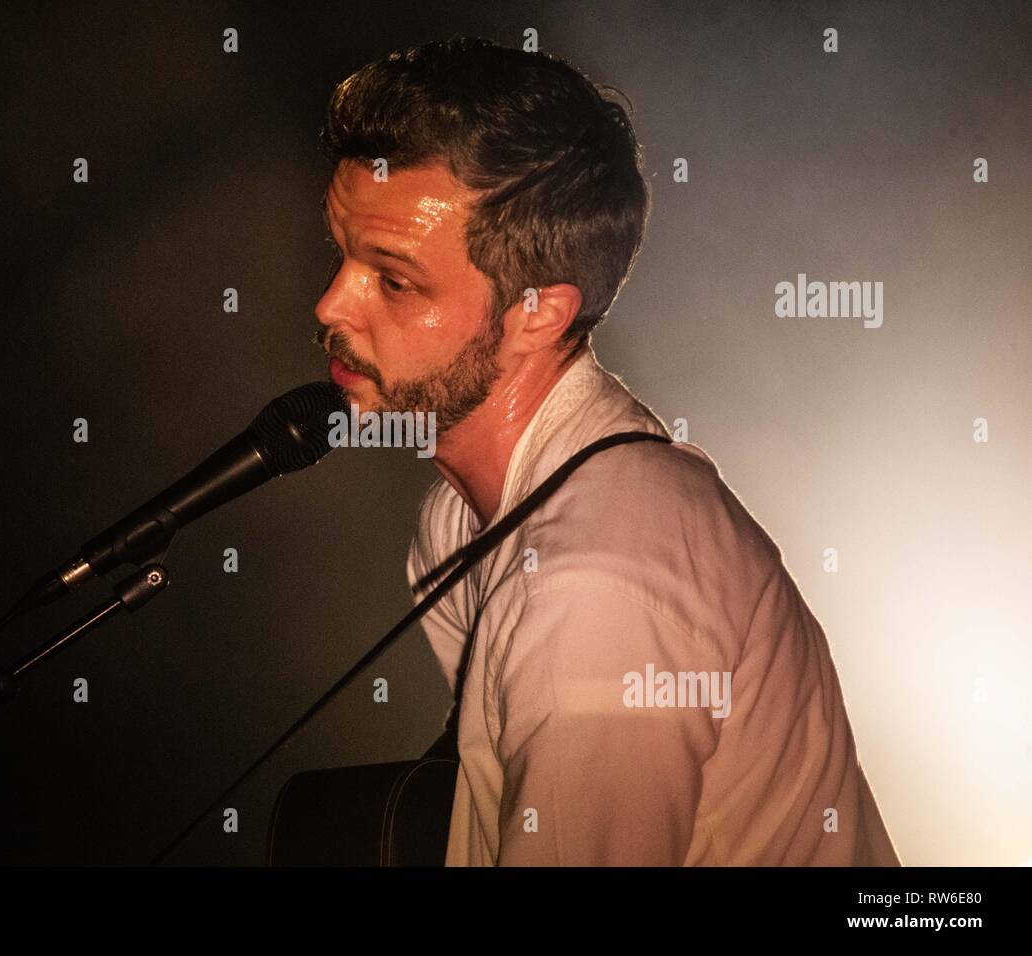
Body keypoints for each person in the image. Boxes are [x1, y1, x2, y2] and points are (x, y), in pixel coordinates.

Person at [313, 37, 900, 866]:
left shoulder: (594, 584)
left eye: (396, 279)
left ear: (539, 313)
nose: (332, 301)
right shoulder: (460, 520)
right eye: (341, 253)